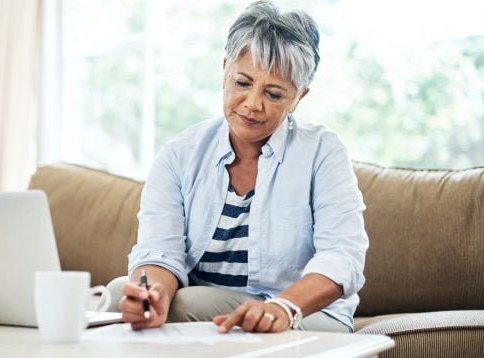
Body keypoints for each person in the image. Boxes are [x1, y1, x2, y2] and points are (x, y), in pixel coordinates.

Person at [110, 0, 368, 334]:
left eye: (274, 93)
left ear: (299, 97)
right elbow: (158, 252)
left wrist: (282, 306)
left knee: (191, 304)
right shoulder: (180, 154)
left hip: (304, 315)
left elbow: (342, 256)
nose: (252, 104)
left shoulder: (322, 151)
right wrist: (153, 295)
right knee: (119, 293)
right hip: (209, 305)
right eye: (242, 83)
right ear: (224, 69)